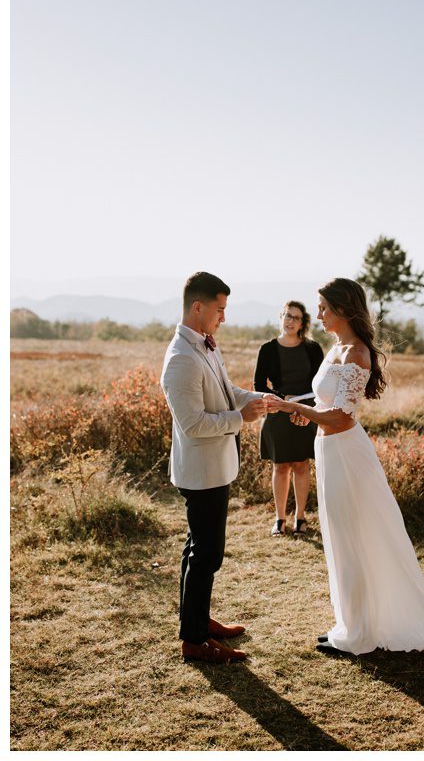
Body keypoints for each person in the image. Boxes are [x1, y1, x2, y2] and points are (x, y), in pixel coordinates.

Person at [266, 278, 424, 655]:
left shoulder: (357, 354)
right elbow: (327, 410)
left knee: (354, 534)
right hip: (328, 449)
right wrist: (311, 415)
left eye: (323, 308)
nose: (317, 315)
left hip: (347, 453)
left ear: (344, 310)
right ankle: (351, 623)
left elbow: (343, 419)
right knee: (340, 535)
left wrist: (294, 408)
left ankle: (359, 634)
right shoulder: (336, 348)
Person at [159, 272, 274, 664]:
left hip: (215, 468)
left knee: (198, 549)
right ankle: (194, 641)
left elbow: (227, 392)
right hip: (200, 471)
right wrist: (241, 417)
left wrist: (260, 399)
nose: (223, 318)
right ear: (198, 307)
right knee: (207, 555)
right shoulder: (180, 360)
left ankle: (198, 620)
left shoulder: (207, 347)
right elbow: (193, 424)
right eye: (220, 310)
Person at [254, 301, 324, 536]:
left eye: (296, 317)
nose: (290, 321)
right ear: (280, 317)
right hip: (277, 412)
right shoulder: (267, 349)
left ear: (302, 323)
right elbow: (258, 385)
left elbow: (320, 385)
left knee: (302, 465)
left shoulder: (313, 349)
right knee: (281, 466)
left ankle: (301, 518)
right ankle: (279, 519)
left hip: (305, 412)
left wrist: (303, 406)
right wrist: (283, 399)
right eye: (287, 315)